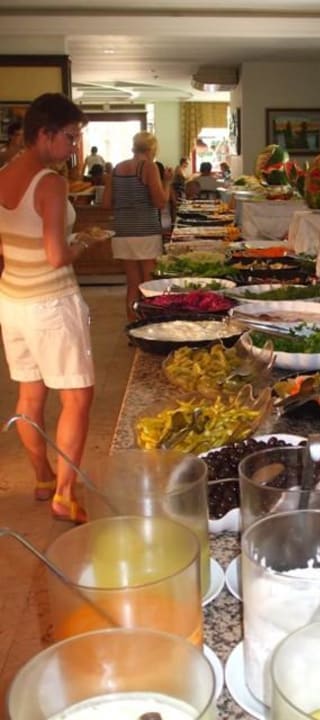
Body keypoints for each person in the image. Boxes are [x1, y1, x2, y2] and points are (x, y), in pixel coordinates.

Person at [0, 92, 109, 523]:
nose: (74, 146)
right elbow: (56, 255)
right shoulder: (49, 182)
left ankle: (44, 477)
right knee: (77, 397)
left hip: (12, 300)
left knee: (29, 394)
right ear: (44, 134)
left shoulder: (4, 175)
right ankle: (64, 493)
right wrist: (84, 241)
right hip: (50, 302)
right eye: (69, 136)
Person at [102, 131, 173, 320]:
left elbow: (106, 203)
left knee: (133, 283)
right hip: (145, 231)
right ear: (152, 149)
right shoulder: (148, 167)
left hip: (122, 232)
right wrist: (167, 182)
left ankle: (133, 325)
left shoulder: (117, 168)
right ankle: (148, 324)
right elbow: (160, 202)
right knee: (149, 283)